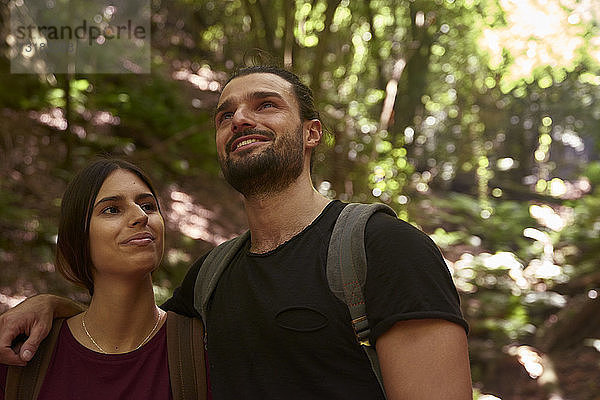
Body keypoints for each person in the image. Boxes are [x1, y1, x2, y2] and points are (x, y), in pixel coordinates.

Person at [0, 66, 472, 399]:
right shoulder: (211, 277)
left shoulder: (384, 249)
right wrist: (51, 307)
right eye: (225, 115)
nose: (240, 119)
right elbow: (129, 324)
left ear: (311, 134)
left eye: (265, 105)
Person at [0, 159, 205, 399]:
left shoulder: (202, 349)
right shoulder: (22, 355)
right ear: (79, 238)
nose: (141, 216)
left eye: (148, 206)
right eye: (112, 209)